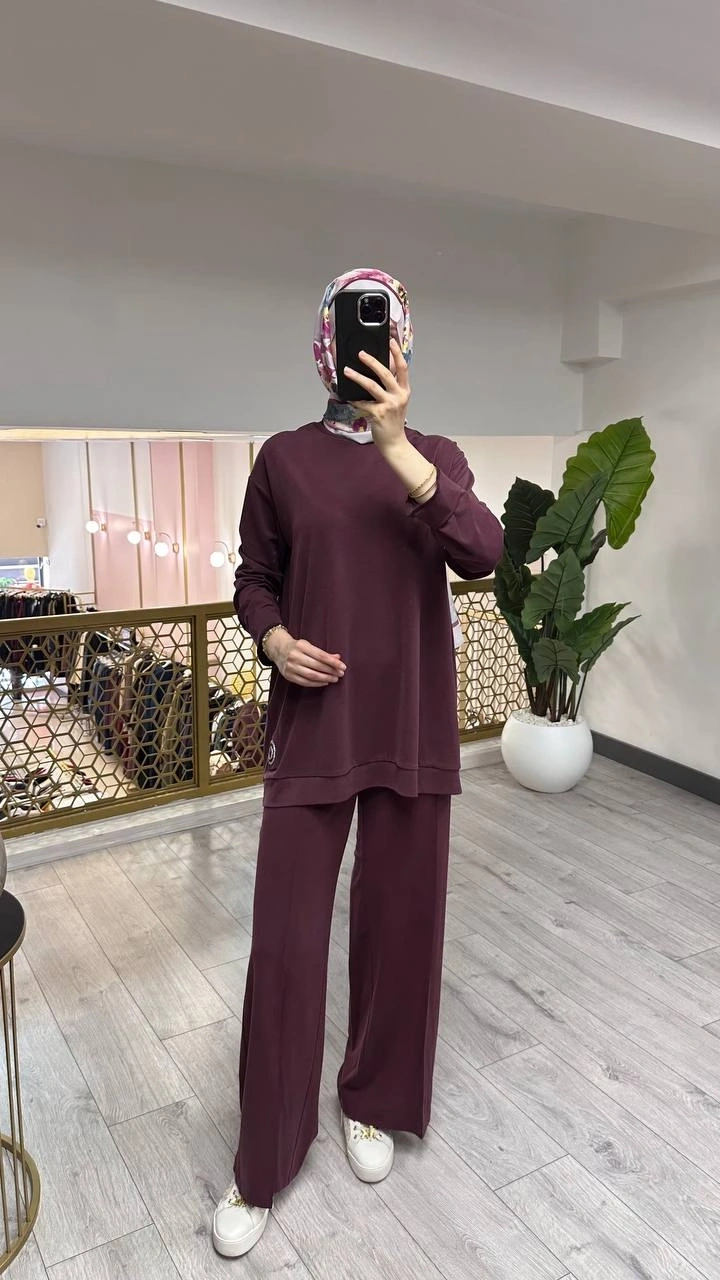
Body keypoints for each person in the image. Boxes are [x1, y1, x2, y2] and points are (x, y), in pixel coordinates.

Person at [212, 268, 503, 1258]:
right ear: (327, 345)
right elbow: (254, 577)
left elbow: (484, 550)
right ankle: (264, 1156)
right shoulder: (283, 460)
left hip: (411, 726)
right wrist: (273, 638)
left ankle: (371, 1100)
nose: (376, 346)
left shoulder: (436, 457)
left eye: (390, 331)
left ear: (404, 348)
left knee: (401, 926)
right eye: (358, 328)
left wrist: (399, 446)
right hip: (314, 726)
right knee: (285, 943)